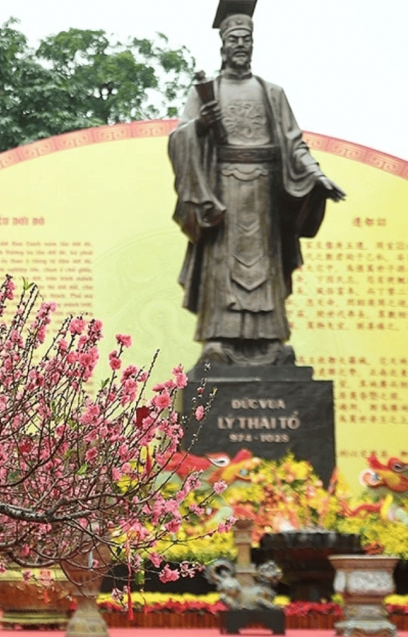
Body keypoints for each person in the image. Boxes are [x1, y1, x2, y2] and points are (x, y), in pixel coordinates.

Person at [169, 8, 344, 368]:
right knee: (223, 263)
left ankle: (270, 341)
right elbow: (178, 138)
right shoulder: (206, 92)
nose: (240, 45)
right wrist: (201, 125)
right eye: (233, 39)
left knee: (264, 265)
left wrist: (316, 175)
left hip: (265, 193)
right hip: (222, 191)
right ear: (222, 45)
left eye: (246, 40)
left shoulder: (271, 93)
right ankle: (218, 338)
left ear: (253, 45)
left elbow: (295, 145)